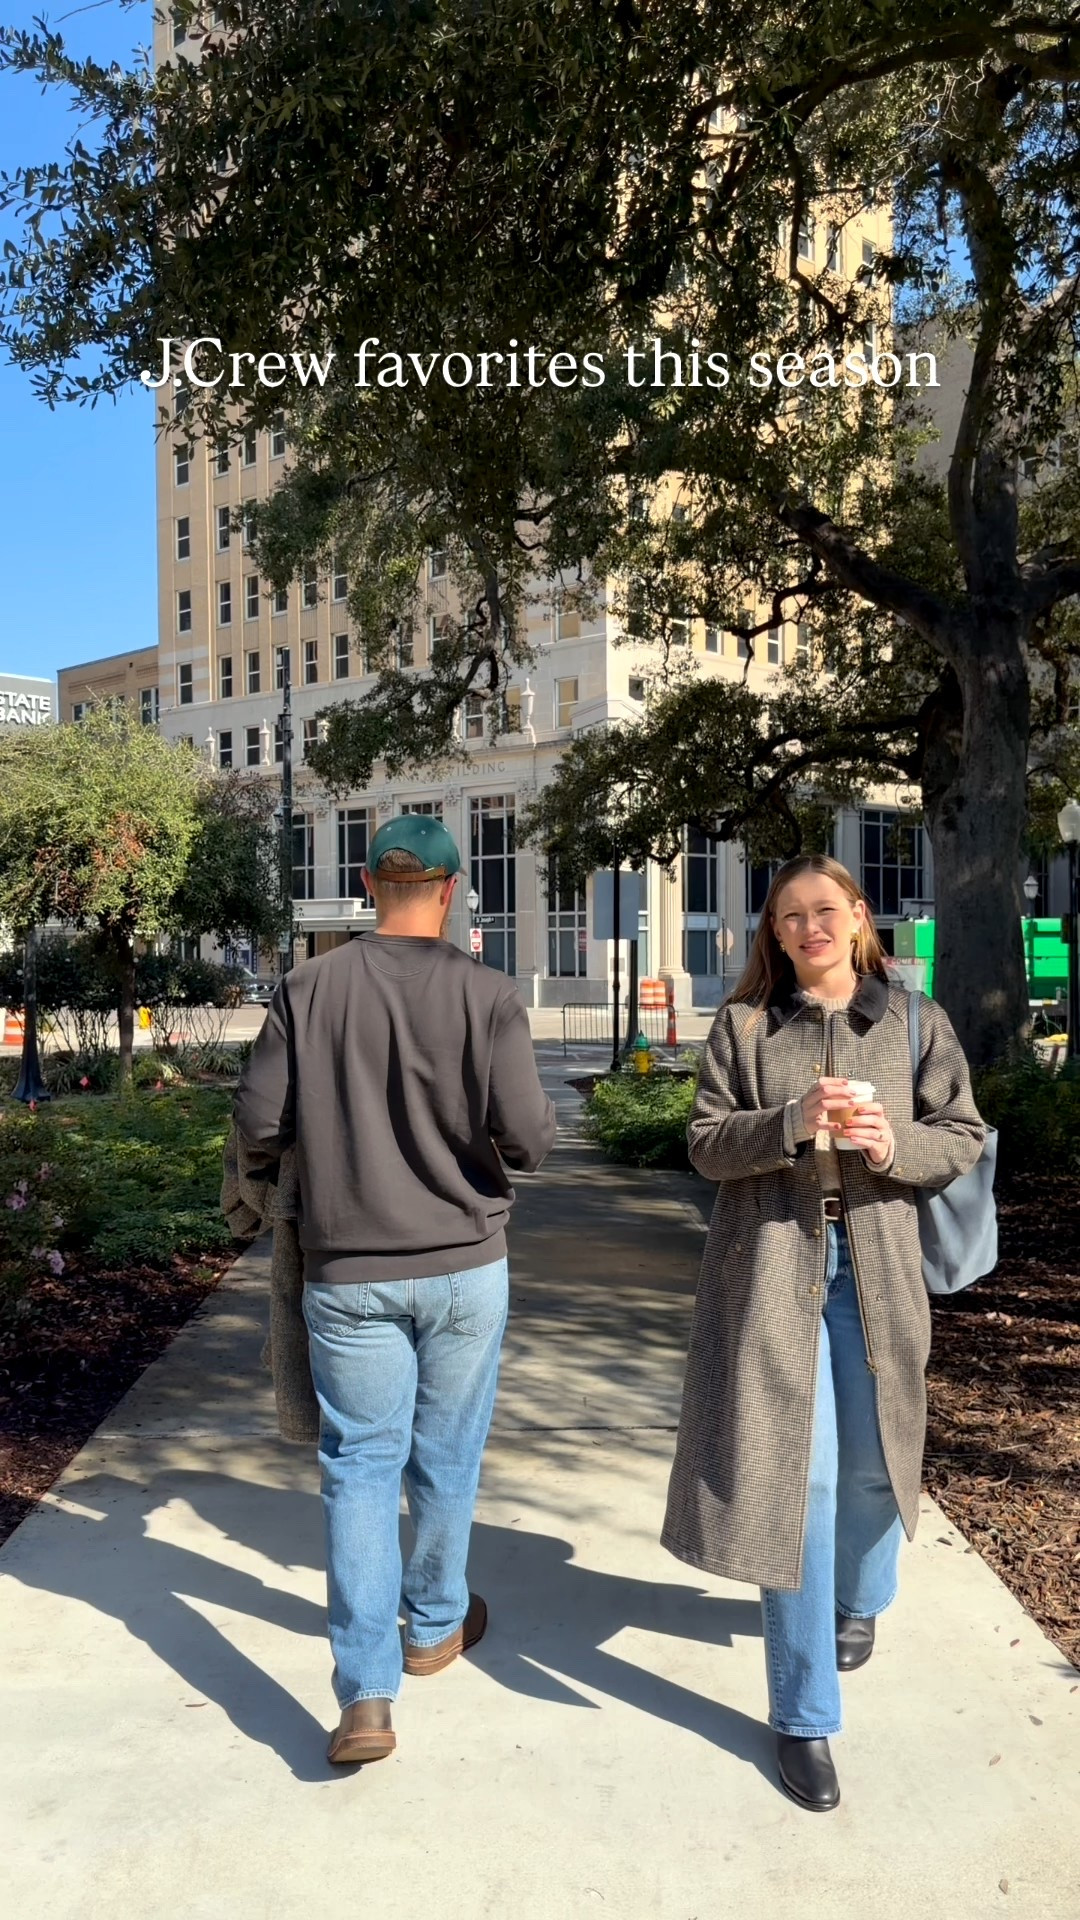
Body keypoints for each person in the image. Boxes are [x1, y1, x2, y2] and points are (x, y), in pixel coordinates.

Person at [661, 854, 985, 1811]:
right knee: (792, 1483)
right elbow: (706, 1142)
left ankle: (864, 1596)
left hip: (879, 1272)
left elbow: (962, 1133)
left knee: (879, 1461)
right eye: (789, 915)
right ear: (773, 930)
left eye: (824, 911)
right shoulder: (745, 1025)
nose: (808, 928)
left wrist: (895, 1145)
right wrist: (791, 1122)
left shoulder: (916, 1020)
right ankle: (805, 1716)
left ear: (856, 918)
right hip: (771, 1270)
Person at [234, 814, 556, 1765]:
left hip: (349, 1272)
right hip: (464, 1265)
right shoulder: (489, 995)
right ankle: (436, 1626)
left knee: (359, 1470)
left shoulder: (306, 987)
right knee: (446, 1460)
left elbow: (258, 1119)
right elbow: (531, 1141)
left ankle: (366, 1698)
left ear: (372, 885)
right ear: (451, 893)